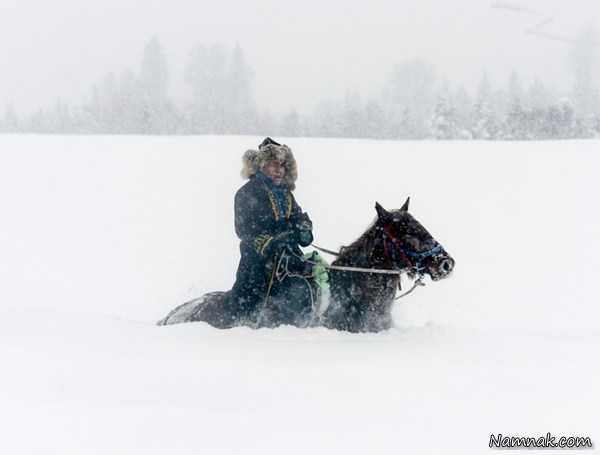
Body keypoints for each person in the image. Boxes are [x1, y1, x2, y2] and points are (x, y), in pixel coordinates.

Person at [229, 137, 314, 326]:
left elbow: (298, 218)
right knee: (250, 295)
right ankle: (243, 325)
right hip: (257, 260)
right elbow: (244, 230)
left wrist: (304, 229)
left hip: (289, 257)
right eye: (273, 164)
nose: (278, 169)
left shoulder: (286, 194)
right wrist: (271, 241)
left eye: (282, 165)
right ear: (261, 166)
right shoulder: (246, 193)